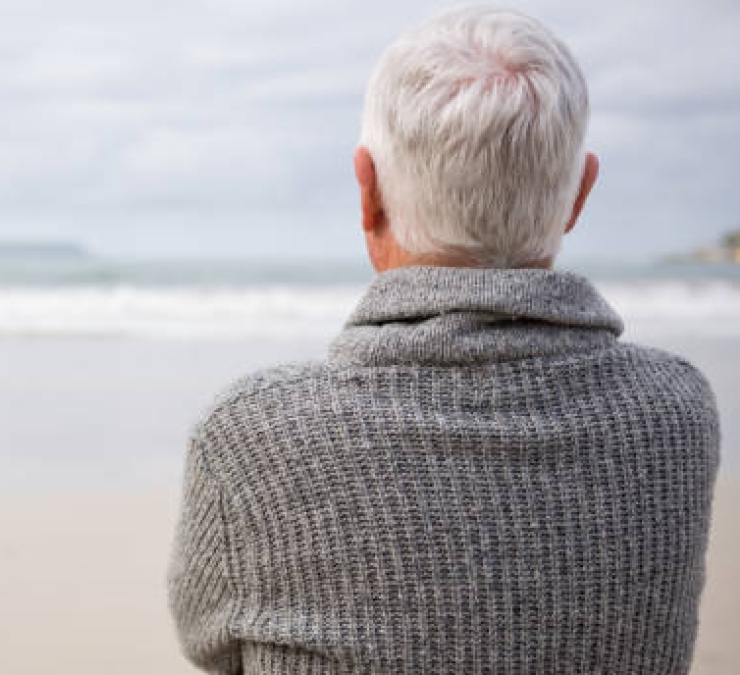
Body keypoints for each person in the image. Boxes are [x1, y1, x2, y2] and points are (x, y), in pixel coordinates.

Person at [166, 6, 720, 674]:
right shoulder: (677, 410)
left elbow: (208, 641)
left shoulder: (252, 435)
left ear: (367, 191)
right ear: (578, 193)